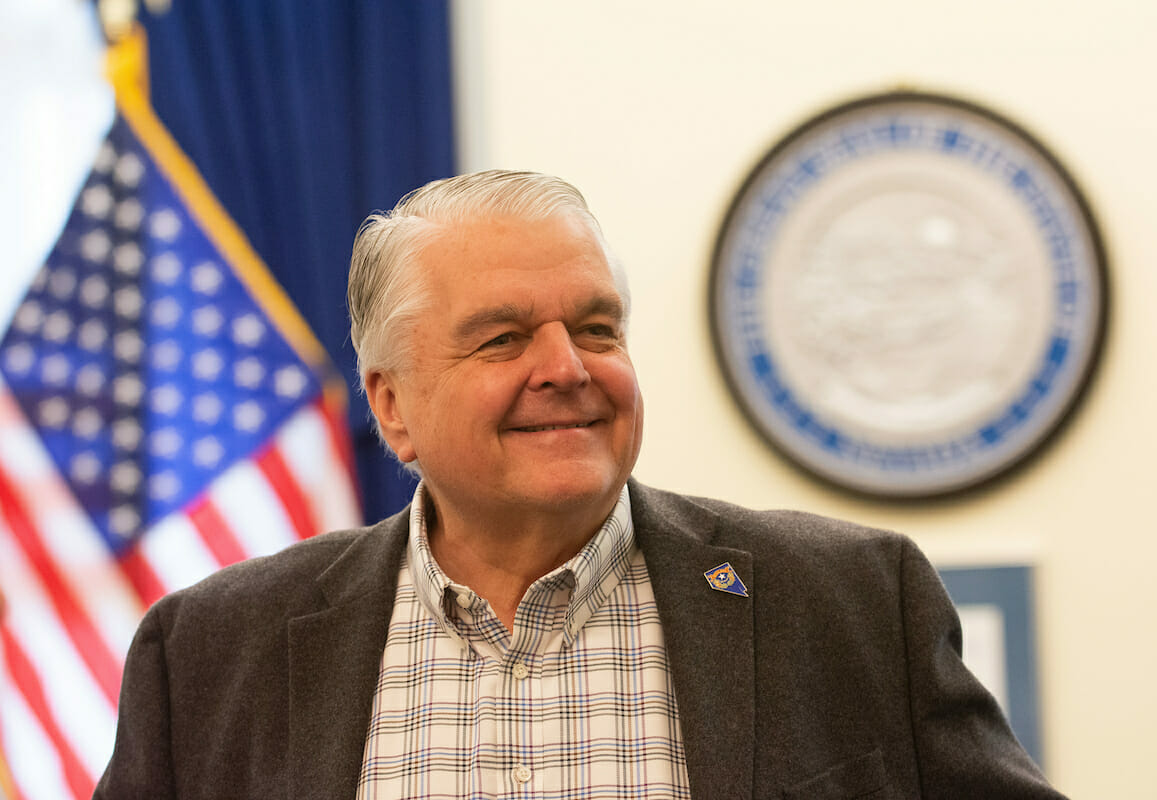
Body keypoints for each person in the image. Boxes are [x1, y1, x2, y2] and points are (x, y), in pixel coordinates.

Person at [95, 170, 1067, 799]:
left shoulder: (849, 599)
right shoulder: (213, 655)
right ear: (392, 407)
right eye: (504, 336)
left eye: (596, 327)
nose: (567, 365)